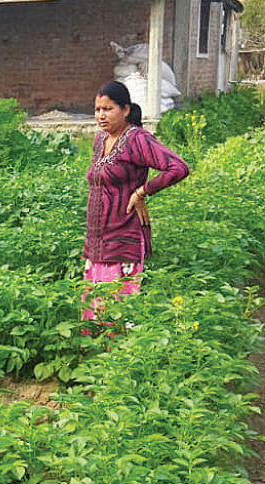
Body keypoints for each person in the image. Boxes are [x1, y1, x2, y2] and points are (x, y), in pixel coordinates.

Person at [82, 80, 189, 327]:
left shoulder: (137, 139)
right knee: (94, 315)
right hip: (97, 242)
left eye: (108, 109)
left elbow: (178, 167)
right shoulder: (100, 140)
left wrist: (142, 192)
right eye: (97, 110)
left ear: (126, 110)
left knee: (117, 316)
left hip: (123, 239)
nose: (101, 115)